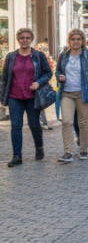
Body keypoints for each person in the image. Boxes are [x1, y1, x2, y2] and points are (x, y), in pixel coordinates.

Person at [1, 28, 52, 166]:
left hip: (32, 97)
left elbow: (48, 73)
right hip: (14, 96)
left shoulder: (39, 56)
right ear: (18, 40)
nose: (24, 40)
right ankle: (17, 156)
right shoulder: (11, 56)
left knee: (34, 125)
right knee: (16, 126)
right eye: (22, 38)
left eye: (27, 38)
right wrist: (2, 96)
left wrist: (38, 83)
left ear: (32, 39)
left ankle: (39, 147)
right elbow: (4, 77)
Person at [55, 29, 88, 164]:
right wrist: (59, 77)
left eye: (78, 39)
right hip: (67, 93)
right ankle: (68, 151)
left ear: (82, 41)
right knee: (66, 122)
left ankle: (83, 149)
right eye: (73, 39)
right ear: (69, 41)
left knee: (83, 122)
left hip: (84, 93)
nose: (75, 42)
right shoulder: (64, 55)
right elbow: (58, 70)